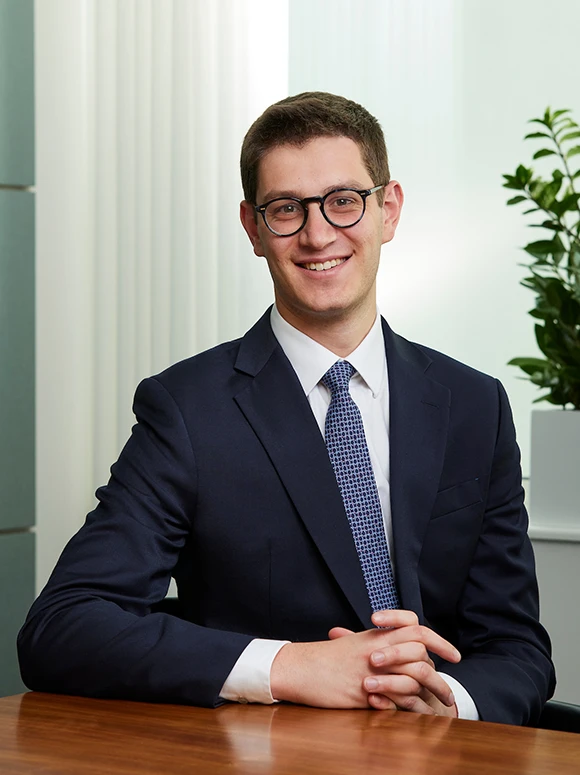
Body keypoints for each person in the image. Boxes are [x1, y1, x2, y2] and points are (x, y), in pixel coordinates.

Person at [18, 92, 555, 725]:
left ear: (389, 209)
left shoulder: (474, 404)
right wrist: (290, 666)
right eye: (286, 209)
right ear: (252, 228)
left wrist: (444, 704)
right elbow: (60, 626)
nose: (319, 233)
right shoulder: (188, 410)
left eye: (343, 200)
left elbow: (517, 647)